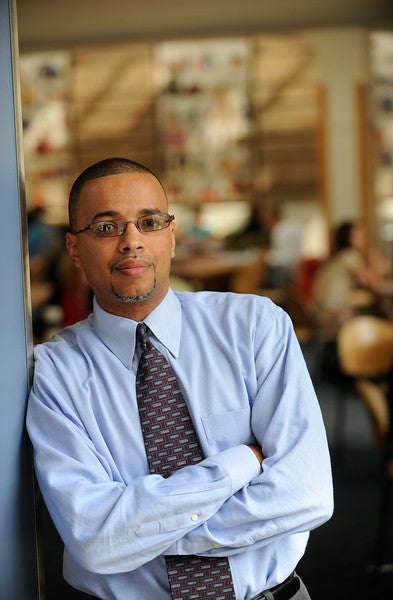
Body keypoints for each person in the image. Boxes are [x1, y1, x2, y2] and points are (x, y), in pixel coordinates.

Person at [26, 158, 333, 600]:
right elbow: (95, 542)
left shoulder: (254, 326)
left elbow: (308, 494)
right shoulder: (56, 372)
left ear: (170, 237)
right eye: (107, 227)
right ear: (74, 248)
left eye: (148, 222)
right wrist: (243, 463)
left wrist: (143, 536)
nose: (131, 241)